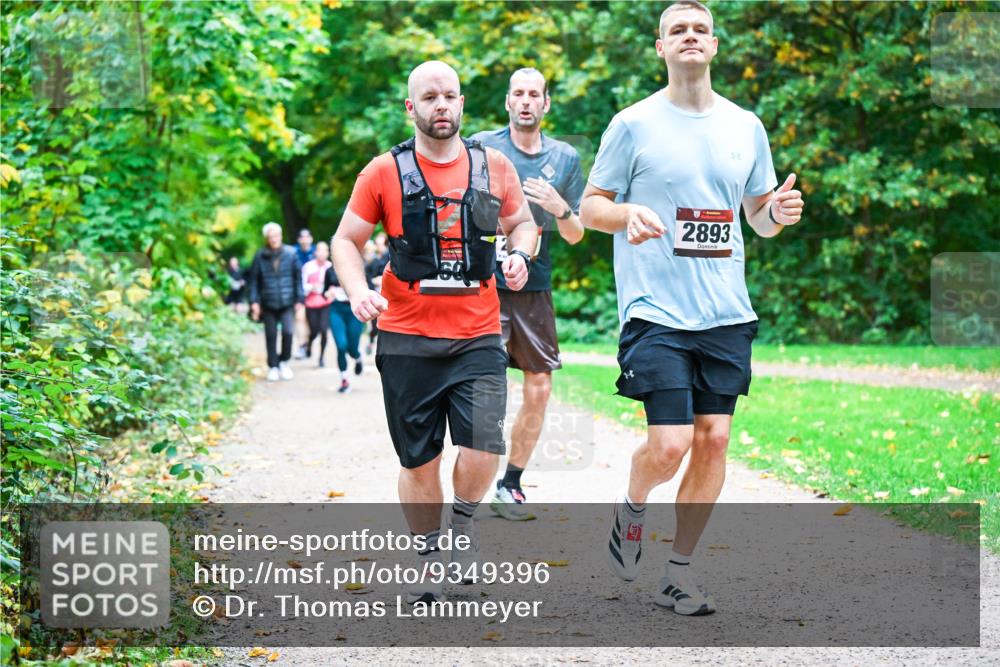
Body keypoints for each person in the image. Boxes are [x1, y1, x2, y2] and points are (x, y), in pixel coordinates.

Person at [580, 1, 804, 616]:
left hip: (726, 311)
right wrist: (626, 214)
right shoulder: (633, 124)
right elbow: (590, 208)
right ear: (661, 46)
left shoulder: (745, 126)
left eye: (699, 29)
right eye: (677, 29)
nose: (689, 37)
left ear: (714, 44)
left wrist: (775, 215)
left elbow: (757, 217)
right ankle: (631, 504)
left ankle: (678, 572)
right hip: (655, 311)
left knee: (714, 440)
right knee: (672, 441)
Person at [331, 60, 537, 604]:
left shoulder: (494, 166)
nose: (440, 105)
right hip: (405, 336)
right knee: (419, 459)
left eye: (449, 96)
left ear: (463, 104)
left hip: (479, 333)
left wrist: (518, 255)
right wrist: (357, 291)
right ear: (411, 107)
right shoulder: (383, 172)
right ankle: (427, 558)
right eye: (429, 98)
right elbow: (346, 241)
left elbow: (522, 224)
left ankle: (462, 533)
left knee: (482, 446)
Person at [472, 68, 585, 521]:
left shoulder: (565, 157)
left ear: (546, 104)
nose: (525, 101)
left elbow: (576, 234)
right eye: (518, 93)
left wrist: (560, 209)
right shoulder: (482, 144)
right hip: (484, 281)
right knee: (485, 383)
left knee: (539, 386)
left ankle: (511, 483)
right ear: (507, 102)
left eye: (533, 94)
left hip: (534, 285)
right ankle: (473, 479)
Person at [248, 222, 305, 382]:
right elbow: (254, 281)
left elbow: (297, 278)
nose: (273, 239)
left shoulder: (291, 253)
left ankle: (284, 361)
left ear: (280, 236)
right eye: (270, 236)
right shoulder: (260, 256)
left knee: (288, 332)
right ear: (267, 238)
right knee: (270, 335)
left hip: (287, 301)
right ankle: (273, 366)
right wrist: (254, 302)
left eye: (276, 235)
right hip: (268, 301)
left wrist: (300, 299)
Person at [324, 239, 371, 393]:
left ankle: (357, 358)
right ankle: (344, 379)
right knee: (341, 345)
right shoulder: (329, 271)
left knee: (352, 348)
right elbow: (324, 292)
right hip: (336, 310)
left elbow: (369, 289)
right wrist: (327, 293)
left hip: (354, 311)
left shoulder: (359, 269)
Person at [301, 241, 334, 368]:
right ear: (315, 252)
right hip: (311, 303)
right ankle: (309, 345)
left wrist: (331, 291)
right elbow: (302, 285)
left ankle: (321, 357)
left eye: (325, 250)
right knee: (314, 330)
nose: (322, 253)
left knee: (324, 330)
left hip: (326, 303)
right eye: (320, 250)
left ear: (328, 253)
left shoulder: (331, 267)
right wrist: (311, 287)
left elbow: (335, 284)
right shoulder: (308, 267)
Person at [293, 229, 316, 360]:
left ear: (311, 239)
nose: (305, 240)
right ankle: (302, 345)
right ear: (298, 240)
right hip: (299, 292)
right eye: (302, 237)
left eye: (307, 237)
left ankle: (308, 344)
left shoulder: (316, 252)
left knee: (311, 323)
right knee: (300, 318)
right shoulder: (293, 253)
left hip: (314, 293)